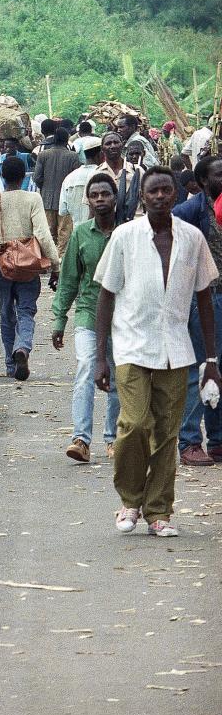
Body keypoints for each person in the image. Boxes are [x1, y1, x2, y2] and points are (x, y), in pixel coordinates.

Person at [95, 166, 220, 537]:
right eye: (154, 191)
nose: (161, 196)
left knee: (167, 434)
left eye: (167, 190)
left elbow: (205, 299)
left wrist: (211, 360)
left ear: (177, 194)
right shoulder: (125, 236)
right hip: (132, 346)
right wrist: (100, 356)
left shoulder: (193, 238)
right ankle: (130, 501)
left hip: (177, 351)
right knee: (133, 425)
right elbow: (106, 294)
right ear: (142, 197)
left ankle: (159, 511)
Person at [52, 174, 120, 464]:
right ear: (88, 200)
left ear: (115, 197)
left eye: (105, 193)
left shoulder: (127, 231)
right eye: (95, 195)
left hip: (123, 319)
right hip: (88, 314)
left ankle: (114, 438)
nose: (100, 199)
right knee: (85, 371)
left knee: (119, 377)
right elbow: (68, 279)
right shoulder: (81, 233)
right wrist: (59, 319)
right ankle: (81, 439)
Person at [0, 156, 60, 380]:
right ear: (24, 174)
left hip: (3, 265)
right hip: (28, 264)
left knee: (6, 312)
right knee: (26, 310)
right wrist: (55, 265)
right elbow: (43, 234)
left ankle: (9, 364)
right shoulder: (32, 198)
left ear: (2, 175)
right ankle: (22, 347)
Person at [172, 154, 222, 466]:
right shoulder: (192, 209)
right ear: (203, 181)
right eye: (219, 174)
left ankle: (217, 440)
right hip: (204, 298)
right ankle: (189, 441)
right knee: (200, 368)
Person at [32, 127, 80, 244]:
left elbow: (37, 177)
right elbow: (76, 178)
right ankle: (61, 258)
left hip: (47, 200)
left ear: (53, 140)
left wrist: (44, 187)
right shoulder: (73, 156)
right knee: (64, 233)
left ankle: (50, 259)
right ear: (66, 140)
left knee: (48, 233)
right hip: (67, 201)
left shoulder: (43, 155)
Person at [57, 136, 102, 254]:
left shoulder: (69, 178)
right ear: (100, 154)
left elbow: (63, 211)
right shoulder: (103, 175)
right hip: (99, 235)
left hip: (76, 235)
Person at [94, 131, 141, 225]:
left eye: (116, 142)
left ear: (122, 145)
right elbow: (92, 209)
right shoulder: (96, 174)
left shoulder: (137, 172)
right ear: (102, 148)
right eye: (108, 143)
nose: (112, 146)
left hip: (136, 226)